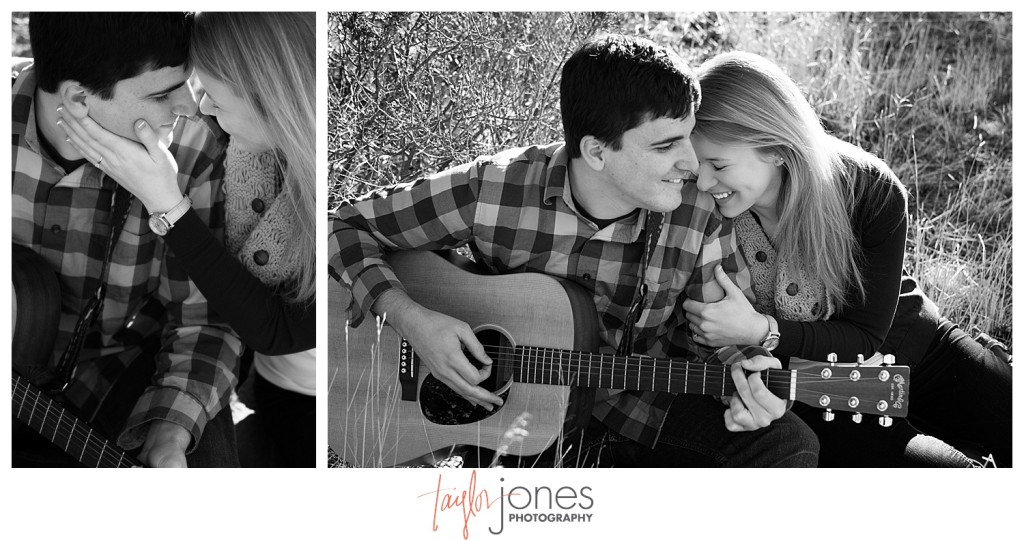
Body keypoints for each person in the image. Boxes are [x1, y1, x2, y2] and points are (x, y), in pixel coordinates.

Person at [330, 34, 819, 467]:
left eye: (689, 137)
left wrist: (749, 373)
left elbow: (723, 331)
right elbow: (343, 226)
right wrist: (415, 322)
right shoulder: (493, 190)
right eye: (665, 146)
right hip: (521, 422)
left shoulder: (696, 210)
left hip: (641, 402)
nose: (691, 163)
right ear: (596, 151)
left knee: (787, 444)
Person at [682, 51, 1012, 467]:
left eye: (719, 164)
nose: (705, 181)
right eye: (698, 165)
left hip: (914, 346)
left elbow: (865, 334)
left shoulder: (868, 190)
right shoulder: (699, 208)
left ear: (777, 149)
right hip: (813, 392)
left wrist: (760, 328)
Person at [55, 12, 316, 467]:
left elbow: (263, 326)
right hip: (279, 380)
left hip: (306, 378)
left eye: (210, 95)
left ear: (273, 100)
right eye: (193, 92)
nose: (197, 109)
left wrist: (169, 206)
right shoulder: (240, 147)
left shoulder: (223, 152)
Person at [12, 12, 241, 468]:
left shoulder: (193, 150)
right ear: (78, 97)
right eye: (161, 94)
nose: (190, 106)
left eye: (186, 83)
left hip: (133, 370)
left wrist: (170, 430)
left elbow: (206, 321)